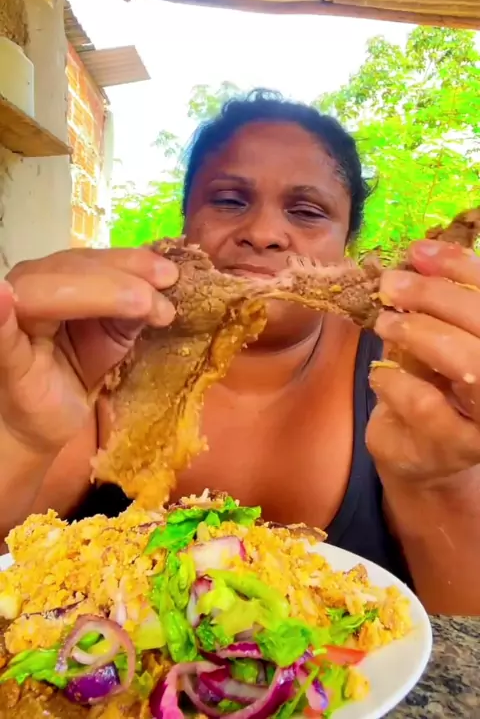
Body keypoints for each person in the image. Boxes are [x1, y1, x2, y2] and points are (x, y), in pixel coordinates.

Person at [0, 90, 479, 616]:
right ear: (186, 221)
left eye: (307, 211)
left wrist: (441, 482)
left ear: (347, 243)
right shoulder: (97, 353)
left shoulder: (408, 373)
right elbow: (13, 576)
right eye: (229, 201)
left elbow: (463, 642)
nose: (264, 233)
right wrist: (19, 435)